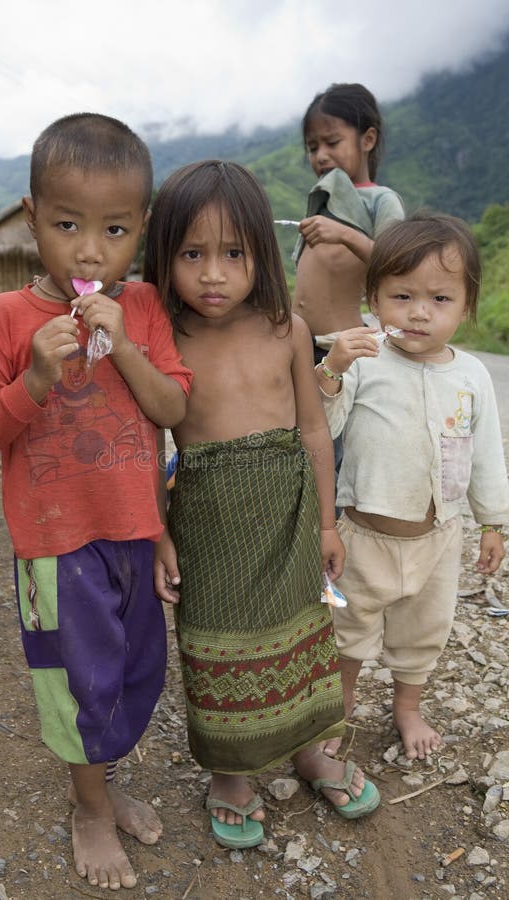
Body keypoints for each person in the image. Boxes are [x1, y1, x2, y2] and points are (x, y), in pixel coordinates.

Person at [0, 113, 193, 890]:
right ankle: (88, 807)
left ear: (143, 229)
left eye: (115, 229)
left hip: (132, 534)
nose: (90, 250)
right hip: (55, 545)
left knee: (135, 673)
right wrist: (31, 380)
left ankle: (103, 779)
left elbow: (171, 410)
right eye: (67, 225)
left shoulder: (149, 309)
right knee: (75, 681)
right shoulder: (7, 319)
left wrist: (122, 342)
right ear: (31, 217)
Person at [145, 160, 380, 851]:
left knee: (305, 639)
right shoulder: (166, 338)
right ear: (166, 255)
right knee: (215, 651)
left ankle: (309, 751)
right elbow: (145, 442)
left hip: (288, 515)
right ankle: (230, 774)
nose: (213, 273)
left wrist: (329, 522)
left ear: (262, 255)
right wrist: (159, 535)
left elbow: (313, 430)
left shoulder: (288, 331)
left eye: (233, 253)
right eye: (193, 253)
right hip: (208, 523)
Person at [315, 213, 509, 761]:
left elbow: (487, 454)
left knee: (424, 632)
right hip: (363, 536)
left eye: (440, 299)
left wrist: (492, 521)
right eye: (402, 295)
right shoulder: (362, 361)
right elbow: (320, 428)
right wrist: (330, 370)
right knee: (347, 626)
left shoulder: (472, 376)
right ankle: (340, 703)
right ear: (373, 299)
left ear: (466, 306)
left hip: (439, 537)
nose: (419, 312)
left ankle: (407, 707)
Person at [292, 82, 405, 361]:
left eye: (332, 143)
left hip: (340, 347)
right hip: (300, 345)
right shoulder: (320, 202)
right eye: (312, 147)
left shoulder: (380, 200)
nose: (320, 155)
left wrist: (346, 235)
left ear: (368, 139)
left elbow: (400, 265)